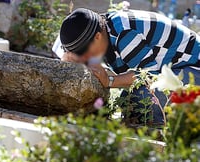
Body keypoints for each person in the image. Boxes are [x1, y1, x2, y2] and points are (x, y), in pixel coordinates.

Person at [54, 8, 200, 127]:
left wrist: (110, 80)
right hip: (172, 68)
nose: (84, 58)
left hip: (193, 68)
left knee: (141, 98)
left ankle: (161, 136)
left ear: (97, 37)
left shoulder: (124, 36)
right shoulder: (100, 29)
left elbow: (147, 76)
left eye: (83, 52)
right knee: (129, 101)